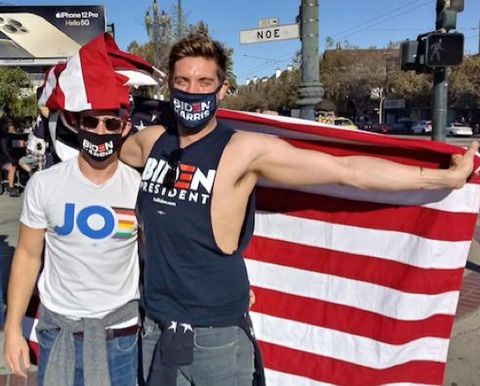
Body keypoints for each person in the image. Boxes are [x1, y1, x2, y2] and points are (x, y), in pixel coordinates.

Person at [118, 33, 479, 385]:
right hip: (155, 325)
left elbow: (346, 170)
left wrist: (440, 180)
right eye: (183, 81)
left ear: (222, 89)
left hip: (215, 336)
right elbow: (106, 145)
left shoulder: (244, 150)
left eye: (203, 82)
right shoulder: (151, 143)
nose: (192, 91)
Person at [3, 34, 141, 386]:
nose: (100, 131)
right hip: (58, 333)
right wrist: (12, 328)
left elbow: (162, 255)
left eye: (110, 123)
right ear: (76, 124)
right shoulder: (45, 184)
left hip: (121, 337)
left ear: (124, 125)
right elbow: (28, 256)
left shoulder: (139, 187)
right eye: (90, 121)